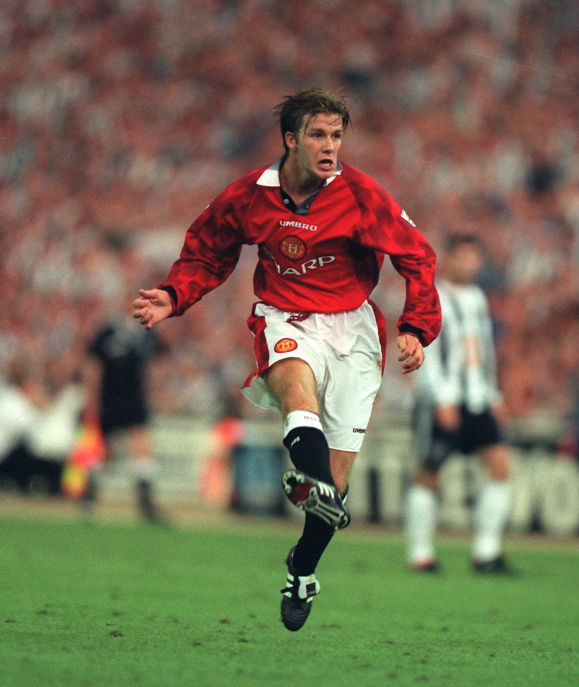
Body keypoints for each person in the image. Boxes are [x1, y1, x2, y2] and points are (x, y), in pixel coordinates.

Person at [131, 89, 441, 632]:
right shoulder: (249, 195)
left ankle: (302, 568)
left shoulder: (361, 195)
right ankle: (313, 484)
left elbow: (416, 255)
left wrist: (416, 326)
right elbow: (208, 250)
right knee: (297, 391)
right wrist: (174, 295)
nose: (330, 146)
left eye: (337, 136)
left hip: (353, 331)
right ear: (291, 139)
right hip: (286, 319)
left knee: (333, 491)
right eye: (318, 135)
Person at [403, 233, 514, 574]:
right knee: (429, 473)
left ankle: (486, 551)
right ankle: (420, 554)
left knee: (500, 467)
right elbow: (425, 346)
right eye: (462, 256)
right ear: (448, 259)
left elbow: (484, 350)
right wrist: (440, 398)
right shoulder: (431, 296)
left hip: (477, 398)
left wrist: (493, 393)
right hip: (443, 400)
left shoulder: (477, 298)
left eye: (473, 257)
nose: (468, 263)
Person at [84, 314, 163, 522]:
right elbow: (94, 366)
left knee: (142, 445)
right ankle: (90, 491)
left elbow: (154, 364)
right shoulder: (107, 332)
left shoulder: (146, 333)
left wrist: (154, 392)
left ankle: (145, 501)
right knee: (106, 452)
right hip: (109, 398)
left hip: (134, 398)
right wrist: (92, 398)